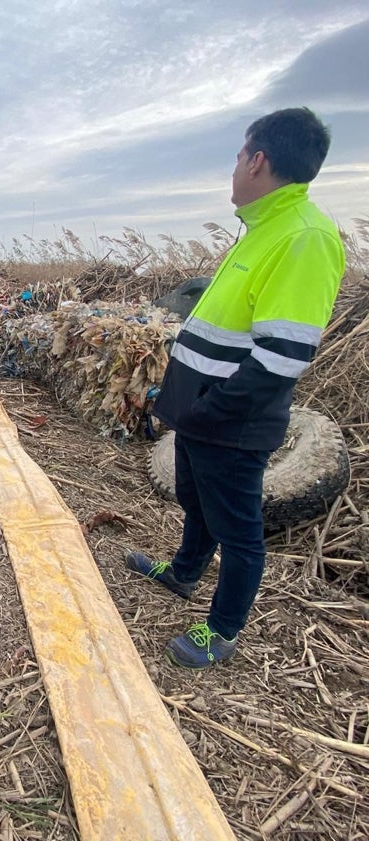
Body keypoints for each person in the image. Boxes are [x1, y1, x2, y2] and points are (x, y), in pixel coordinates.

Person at [124, 107, 345, 669]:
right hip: (202, 412)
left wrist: (211, 411)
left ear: (259, 159)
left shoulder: (304, 238)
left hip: (231, 420)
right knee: (197, 502)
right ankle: (183, 573)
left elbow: (280, 357)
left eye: (238, 157)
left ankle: (222, 630)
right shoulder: (264, 229)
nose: (234, 170)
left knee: (239, 529)